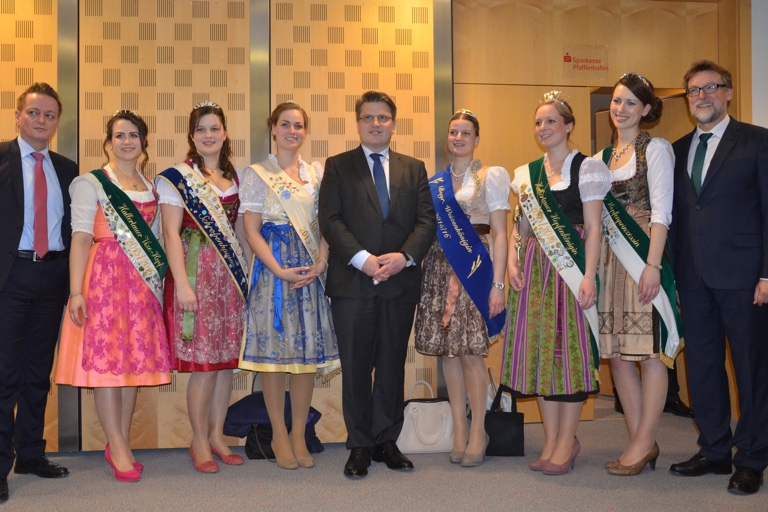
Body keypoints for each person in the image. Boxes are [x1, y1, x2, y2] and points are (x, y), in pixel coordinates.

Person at [318, 90, 436, 478]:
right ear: (358, 123)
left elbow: (426, 221)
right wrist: (363, 259)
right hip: (353, 283)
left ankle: (387, 441)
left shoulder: (413, 168)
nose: (375, 123)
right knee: (355, 368)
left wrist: (404, 257)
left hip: (399, 282)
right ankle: (359, 445)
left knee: (391, 365)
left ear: (393, 123)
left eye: (382, 117)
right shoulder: (338, 166)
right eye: (368, 117)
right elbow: (330, 220)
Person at [668, 60, 768, 496]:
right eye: (694, 90)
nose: (702, 96)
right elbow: (673, 218)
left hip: (746, 278)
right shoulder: (677, 149)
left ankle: (753, 457)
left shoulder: (758, 141)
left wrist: (767, 274)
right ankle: (713, 450)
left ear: (728, 92)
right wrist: (673, 279)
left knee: (751, 370)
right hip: (693, 277)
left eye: (711, 87)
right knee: (703, 367)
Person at [55, 110, 171, 482]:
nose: (126, 141)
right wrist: (76, 291)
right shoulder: (91, 183)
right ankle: (117, 445)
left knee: (133, 364)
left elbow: (157, 239)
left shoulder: (151, 185)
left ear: (143, 142)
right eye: (119, 135)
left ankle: (120, 442)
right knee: (108, 365)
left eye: (133, 135)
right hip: (103, 278)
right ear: (108, 143)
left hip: (140, 283)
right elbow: (80, 237)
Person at [501, 91, 610, 476]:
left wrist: (589, 276)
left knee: (567, 356)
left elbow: (594, 228)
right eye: (538, 122)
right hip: (534, 271)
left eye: (551, 121)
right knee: (539, 354)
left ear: (569, 126)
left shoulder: (588, 169)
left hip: (571, 270)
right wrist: (512, 262)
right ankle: (551, 440)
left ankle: (567, 442)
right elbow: (521, 228)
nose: (543, 128)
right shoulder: (526, 174)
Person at [239, 102, 340, 470]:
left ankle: (299, 433)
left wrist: (322, 262)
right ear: (273, 128)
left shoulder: (316, 173)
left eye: (298, 125)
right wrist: (279, 271)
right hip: (274, 272)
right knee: (276, 358)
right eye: (285, 124)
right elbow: (251, 230)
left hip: (310, 271)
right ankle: (279, 434)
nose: (292, 131)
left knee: (305, 358)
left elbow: (326, 224)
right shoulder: (256, 174)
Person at [595, 73, 683, 476]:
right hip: (609, 260)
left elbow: (662, 213)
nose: (621, 109)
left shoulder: (656, 150)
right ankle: (640, 442)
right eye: (617, 100)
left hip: (643, 255)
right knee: (617, 355)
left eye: (631, 102)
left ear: (646, 109)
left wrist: (653, 265)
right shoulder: (599, 158)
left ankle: (644, 441)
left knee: (648, 355)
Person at [157, 101, 248, 474]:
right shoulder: (177, 178)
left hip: (229, 280)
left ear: (224, 133)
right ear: (191, 137)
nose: (208, 135)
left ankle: (216, 434)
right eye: (201, 129)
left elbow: (239, 232)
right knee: (205, 365)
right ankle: (197, 440)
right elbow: (170, 234)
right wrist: (181, 285)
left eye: (215, 128)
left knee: (226, 364)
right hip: (196, 273)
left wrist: (249, 280)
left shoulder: (235, 177)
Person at [414, 109, 509, 467]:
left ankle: (479, 431)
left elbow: (501, 233)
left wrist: (498, 283)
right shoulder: (435, 183)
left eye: (465, 132)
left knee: (470, 353)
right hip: (440, 268)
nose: (458, 138)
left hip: (475, 269)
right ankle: (459, 429)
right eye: (453, 132)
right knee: (448, 354)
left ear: (476, 138)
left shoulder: (490, 176)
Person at [0, 83, 77, 502]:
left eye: (49, 115)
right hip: (10, 278)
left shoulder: (67, 168)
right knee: (4, 377)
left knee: (37, 375)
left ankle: (30, 454)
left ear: (56, 121)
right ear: (18, 116)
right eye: (33, 113)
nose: (41, 120)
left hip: (52, 278)